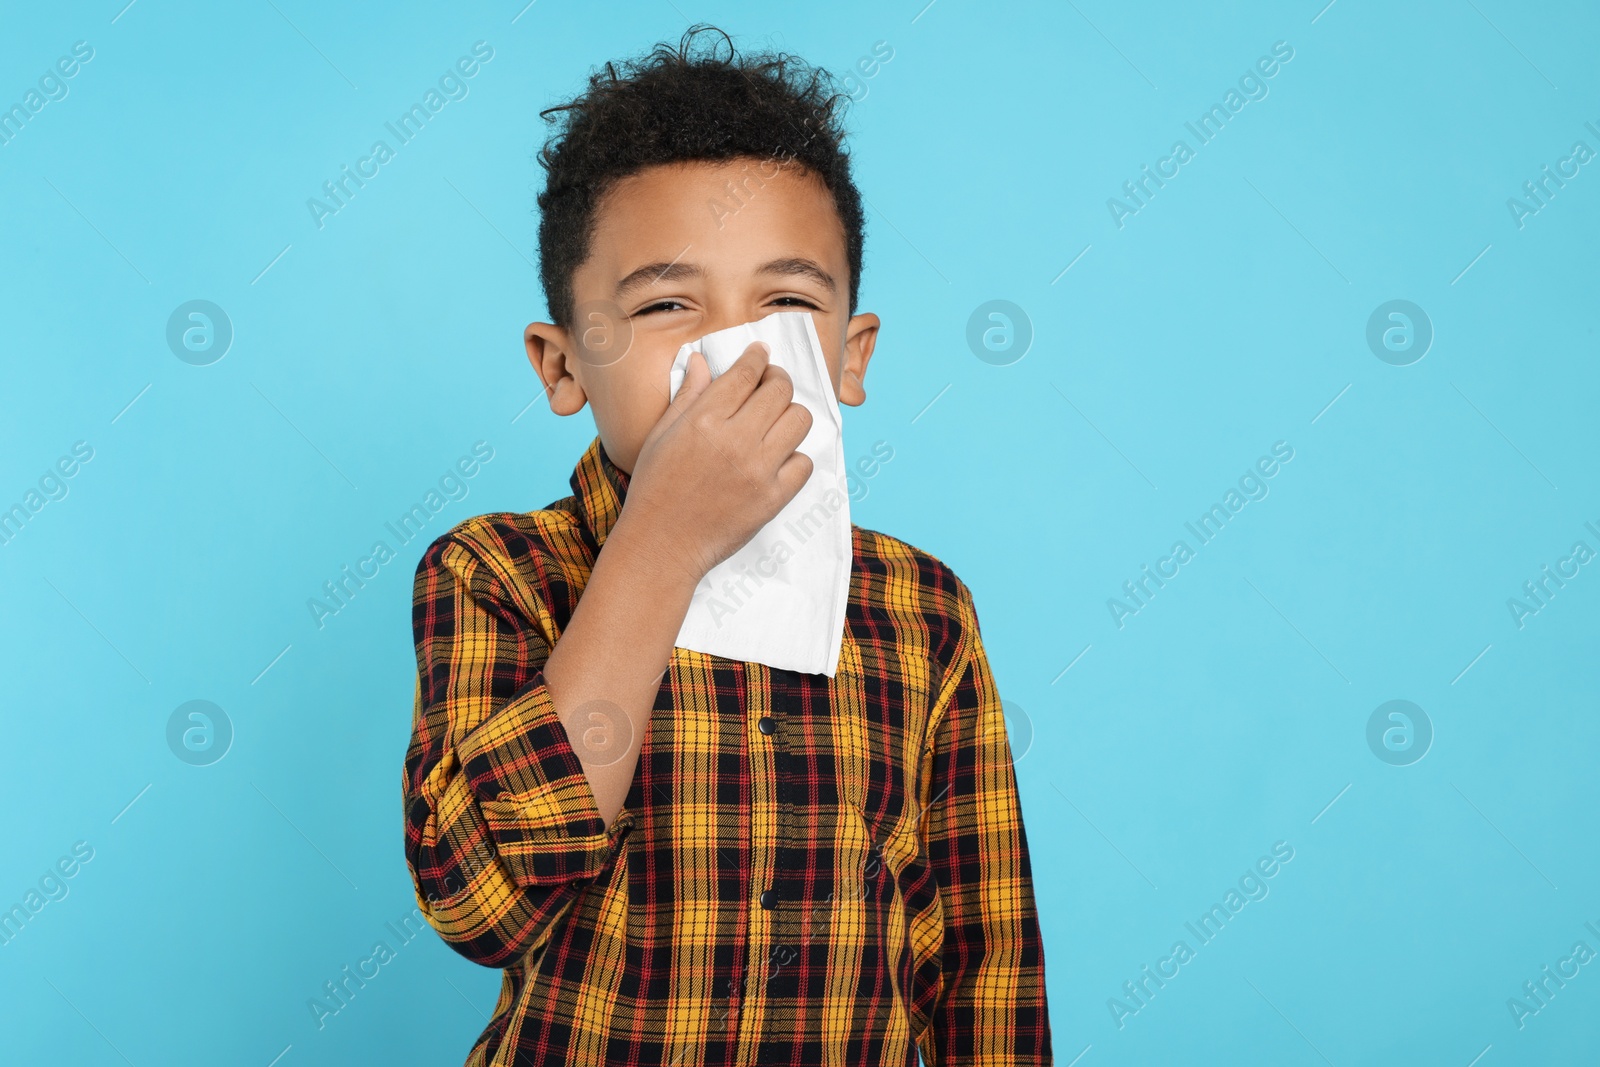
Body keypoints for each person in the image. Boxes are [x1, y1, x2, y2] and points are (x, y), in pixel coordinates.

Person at [402, 24, 1051, 1066]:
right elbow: (481, 905)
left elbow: (981, 960)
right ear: (562, 366)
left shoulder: (923, 612)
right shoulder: (496, 573)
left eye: (787, 302)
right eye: (667, 304)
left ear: (850, 353)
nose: (735, 350)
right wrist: (658, 544)